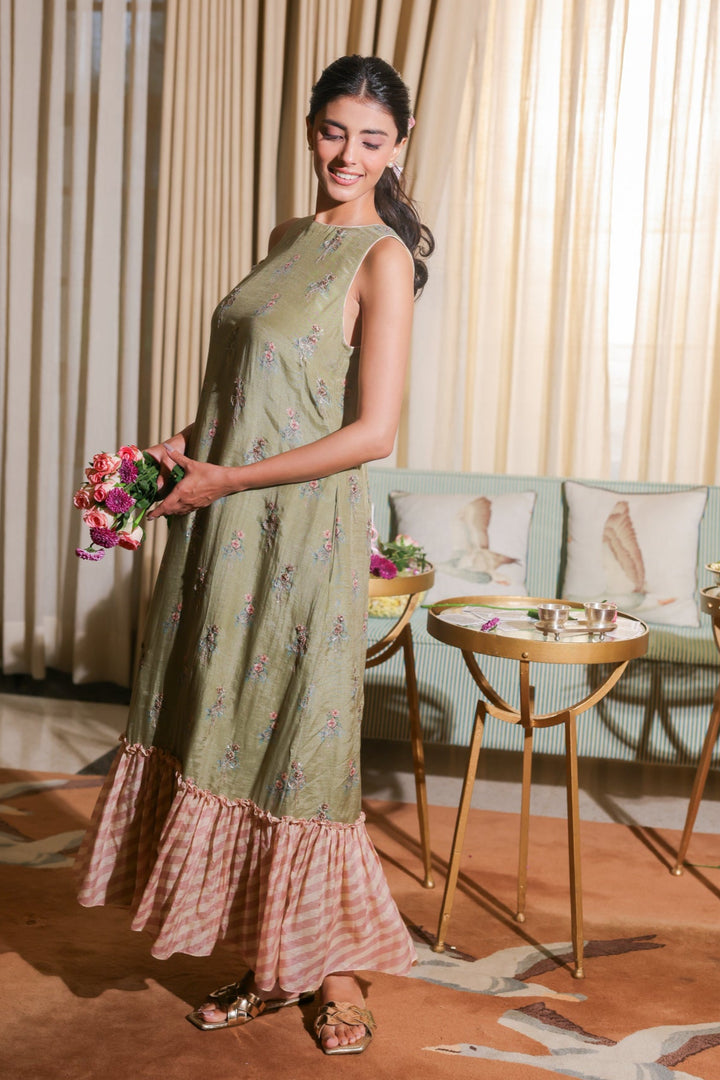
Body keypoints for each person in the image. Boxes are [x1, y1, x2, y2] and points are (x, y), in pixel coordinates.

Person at [75, 53, 434, 1057]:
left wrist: (229, 479)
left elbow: (373, 433)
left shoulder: (382, 258)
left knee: (299, 751)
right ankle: (273, 962)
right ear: (309, 128)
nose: (347, 154)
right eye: (333, 131)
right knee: (227, 732)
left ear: (397, 147)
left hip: (299, 533)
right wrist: (181, 447)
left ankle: (340, 977)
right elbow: (250, 382)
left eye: (370, 139)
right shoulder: (285, 238)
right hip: (222, 522)